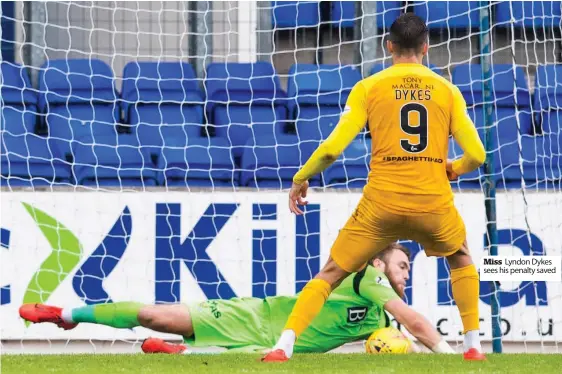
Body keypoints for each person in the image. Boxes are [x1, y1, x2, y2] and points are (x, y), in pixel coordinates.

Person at [262, 13, 486, 363]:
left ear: (389, 46)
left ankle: (283, 346)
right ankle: (473, 347)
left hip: (381, 206)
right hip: (432, 203)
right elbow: (477, 153)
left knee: (331, 273)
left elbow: (333, 148)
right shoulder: (448, 90)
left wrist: (300, 178)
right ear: (426, 48)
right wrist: (453, 169)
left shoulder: (369, 86)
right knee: (461, 258)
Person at [20, 244, 454, 355]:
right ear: (379, 265)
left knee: (228, 359)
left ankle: (178, 353)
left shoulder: (380, 315)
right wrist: (451, 353)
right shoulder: (366, 279)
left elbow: (397, 340)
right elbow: (416, 323)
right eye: (401, 264)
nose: (406, 273)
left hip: (273, 347)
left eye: (408, 268)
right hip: (255, 316)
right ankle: (65, 313)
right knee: (156, 316)